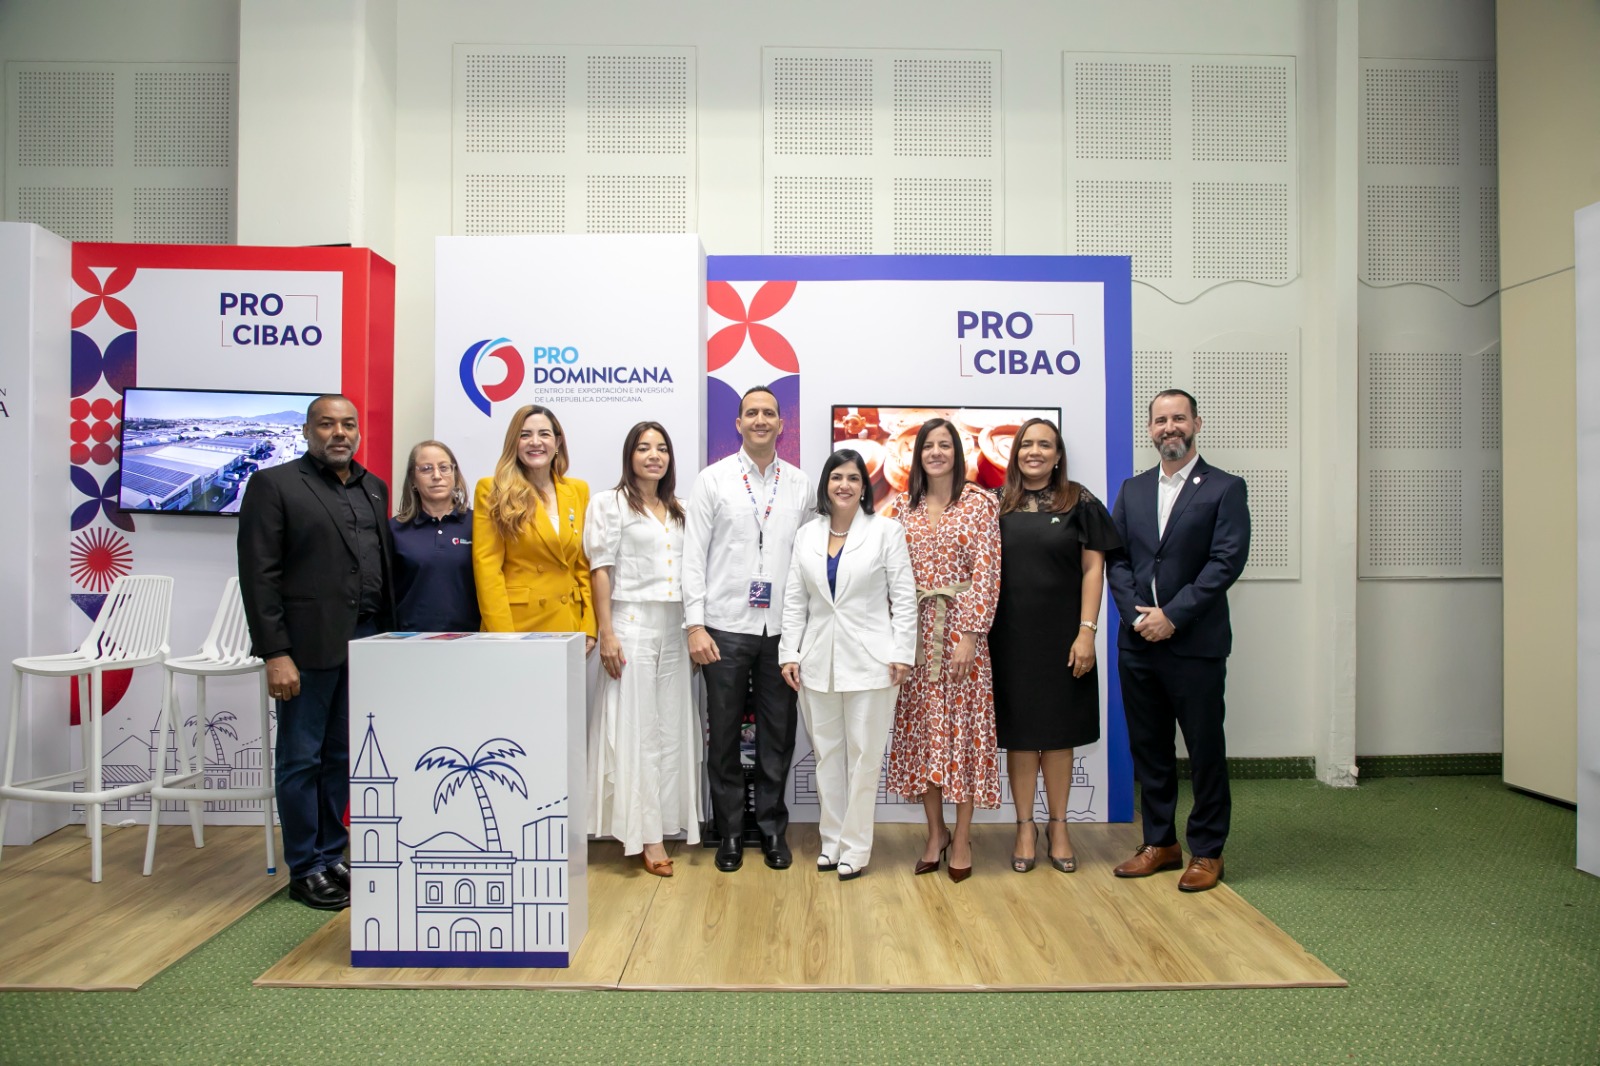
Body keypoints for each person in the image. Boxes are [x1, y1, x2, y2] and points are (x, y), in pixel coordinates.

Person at [237, 394, 394, 910]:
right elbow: (259, 575)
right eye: (326, 424)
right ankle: (304, 867)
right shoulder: (275, 485)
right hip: (305, 648)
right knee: (301, 759)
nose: (339, 433)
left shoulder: (374, 488)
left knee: (342, 756)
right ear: (307, 431)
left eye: (348, 424)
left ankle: (331, 854)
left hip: (366, 642)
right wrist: (275, 652)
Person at [1107, 389, 1250, 892]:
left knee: (1204, 749)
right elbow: (1117, 559)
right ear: (1150, 429)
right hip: (1138, 644)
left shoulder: (1225, 488)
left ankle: (1208, 851)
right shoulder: (1133, 489)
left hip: (1195, 644)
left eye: (1179, 418)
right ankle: (1160, 843)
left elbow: (1225, 562)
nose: (1170, 427)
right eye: (1160, 420)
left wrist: (1172, 615)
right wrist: (1138, 617)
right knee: (1150, 749)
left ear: (1196, 424)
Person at [683, 385, 811, 873]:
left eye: (769, 413)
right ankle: (731, 832)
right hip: (724, 627)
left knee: (779, 735)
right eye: (751, 413)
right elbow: (693, 557)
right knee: (724, 737)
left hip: (781, 630)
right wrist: (695, 625)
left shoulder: (799, 484)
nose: (760, 420)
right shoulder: (712, 480)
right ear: (738, 424)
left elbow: (808, 559)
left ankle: (773, 830)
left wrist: (802, 632)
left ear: (781, 424)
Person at [989, 419, 1121, 874]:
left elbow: (1093, 569)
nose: (1035, 451)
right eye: (1027, 444)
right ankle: (1025, 826)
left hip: (1065, 638)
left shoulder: (1079, 501)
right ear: (1015, 453)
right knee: (1022, 737)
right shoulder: (994, 502)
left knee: (1060, 736)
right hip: (1009, 638)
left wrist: (1087, 631)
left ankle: (1059, 826)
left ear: (1058, 454)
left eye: (1045, 444)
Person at [779, 450, 916, 880]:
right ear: (826, 484)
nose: (844, 485)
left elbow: (904, 598)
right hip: (817, 660)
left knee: (864, 757)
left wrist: (902, 652)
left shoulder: (886, 531)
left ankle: (856, 847)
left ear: (864, 486)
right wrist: (789, 652)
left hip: (873, 662)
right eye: (836, 477)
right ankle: (832, 840)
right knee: (827, 755)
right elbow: (795, 600)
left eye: (853, 478)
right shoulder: (807, 534)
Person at [884, 418, 1002, 882]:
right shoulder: (902, 507)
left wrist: (970, 635)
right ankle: (935, 833)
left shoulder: (979, 503)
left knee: (963, 736)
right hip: (914, 636)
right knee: (924, 737)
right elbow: (890, 575)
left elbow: (988, 572)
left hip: (961, 635)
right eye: (928, 445)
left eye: (944, 445)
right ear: (918, 455)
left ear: (957, 452)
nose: (935, 452)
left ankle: (964, 835)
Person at [585, 422, 700, 876]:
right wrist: (606, 632)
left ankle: (666, 822)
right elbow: (600, 569)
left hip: (675, 627)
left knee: (670, 729)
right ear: (629, 455)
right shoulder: (608, 503)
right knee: (637, 730)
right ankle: (645, 835)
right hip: (630, 625)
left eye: (662, 448)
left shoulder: (681, 509)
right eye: (644, 448)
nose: (654, 455)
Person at [472, 404, 596, 652]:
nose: (535, 442)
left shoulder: (578, 490)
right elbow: (487, 570)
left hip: (568, 625)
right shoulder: (492, 490)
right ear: (513, 442)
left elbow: (582, 566)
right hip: (518, 627)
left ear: (557, 442)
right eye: (525, 435)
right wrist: (503, 637)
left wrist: (589, 626)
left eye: (544, 434)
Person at [389, 440, 480, 633]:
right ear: (413, 479)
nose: (437, 476)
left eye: (444, 468)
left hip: (470, 640)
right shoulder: (394, 530)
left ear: (455, 474)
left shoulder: (479, 524)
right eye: (426, 469)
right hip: (410, 641)